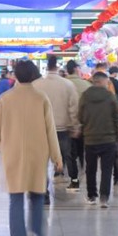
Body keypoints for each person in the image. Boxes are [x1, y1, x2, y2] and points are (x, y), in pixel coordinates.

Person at [0, 60, 62, 236]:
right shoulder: (41, 98)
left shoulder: (5, 99)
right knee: (37, 196)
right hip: (37, 154)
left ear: (15, 75)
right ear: (34, 75)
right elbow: (51, 130)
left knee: (15, 198)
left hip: (12, 154)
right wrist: (57, 156)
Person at [34, 55, 80, 192]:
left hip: (43, 129)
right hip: (63, 128)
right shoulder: (67, 84)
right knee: (68, 156)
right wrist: (75, 125)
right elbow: (74, 107)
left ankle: (44, 189)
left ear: (47, 67)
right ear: (57, 66)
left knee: (42, 160)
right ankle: (74, 181)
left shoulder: (37, 84)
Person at [79, 72, 118, 208]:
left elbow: (80, 116)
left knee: (90, 169)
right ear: (104, 81)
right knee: (107, 169)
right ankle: (104, 198)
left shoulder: (85, 96)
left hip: (90, 138)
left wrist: (87, 126)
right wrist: (117, 136)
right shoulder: (110, 97)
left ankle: (92, 195)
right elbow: (116, 117)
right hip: (108, 139)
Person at [65, 60, 90, 172]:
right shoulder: (86, 85)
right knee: (81, 145)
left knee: (69, 148)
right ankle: (81, 163)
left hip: (66, 122)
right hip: (83, 122)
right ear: (76, 69)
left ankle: (70, 168)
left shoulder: (63, 84)